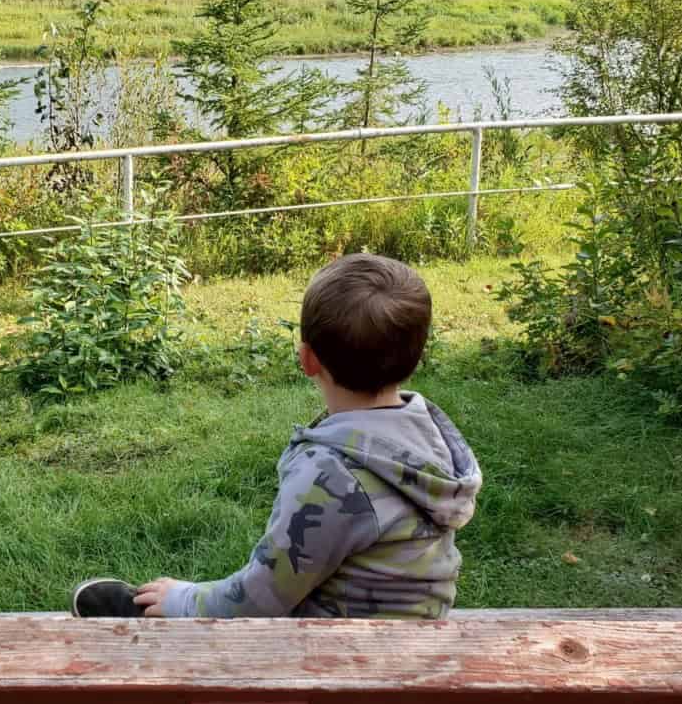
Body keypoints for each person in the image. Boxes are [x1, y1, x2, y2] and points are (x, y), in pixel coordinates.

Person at [71, 253, 481, 620]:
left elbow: (261, 597)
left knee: (198, 636)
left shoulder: (333, 477)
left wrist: (183, 599)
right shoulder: (425, 435)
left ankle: (144, 617)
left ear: (307, 359)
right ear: (416, 357)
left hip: (345, 657)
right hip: (419, 633)